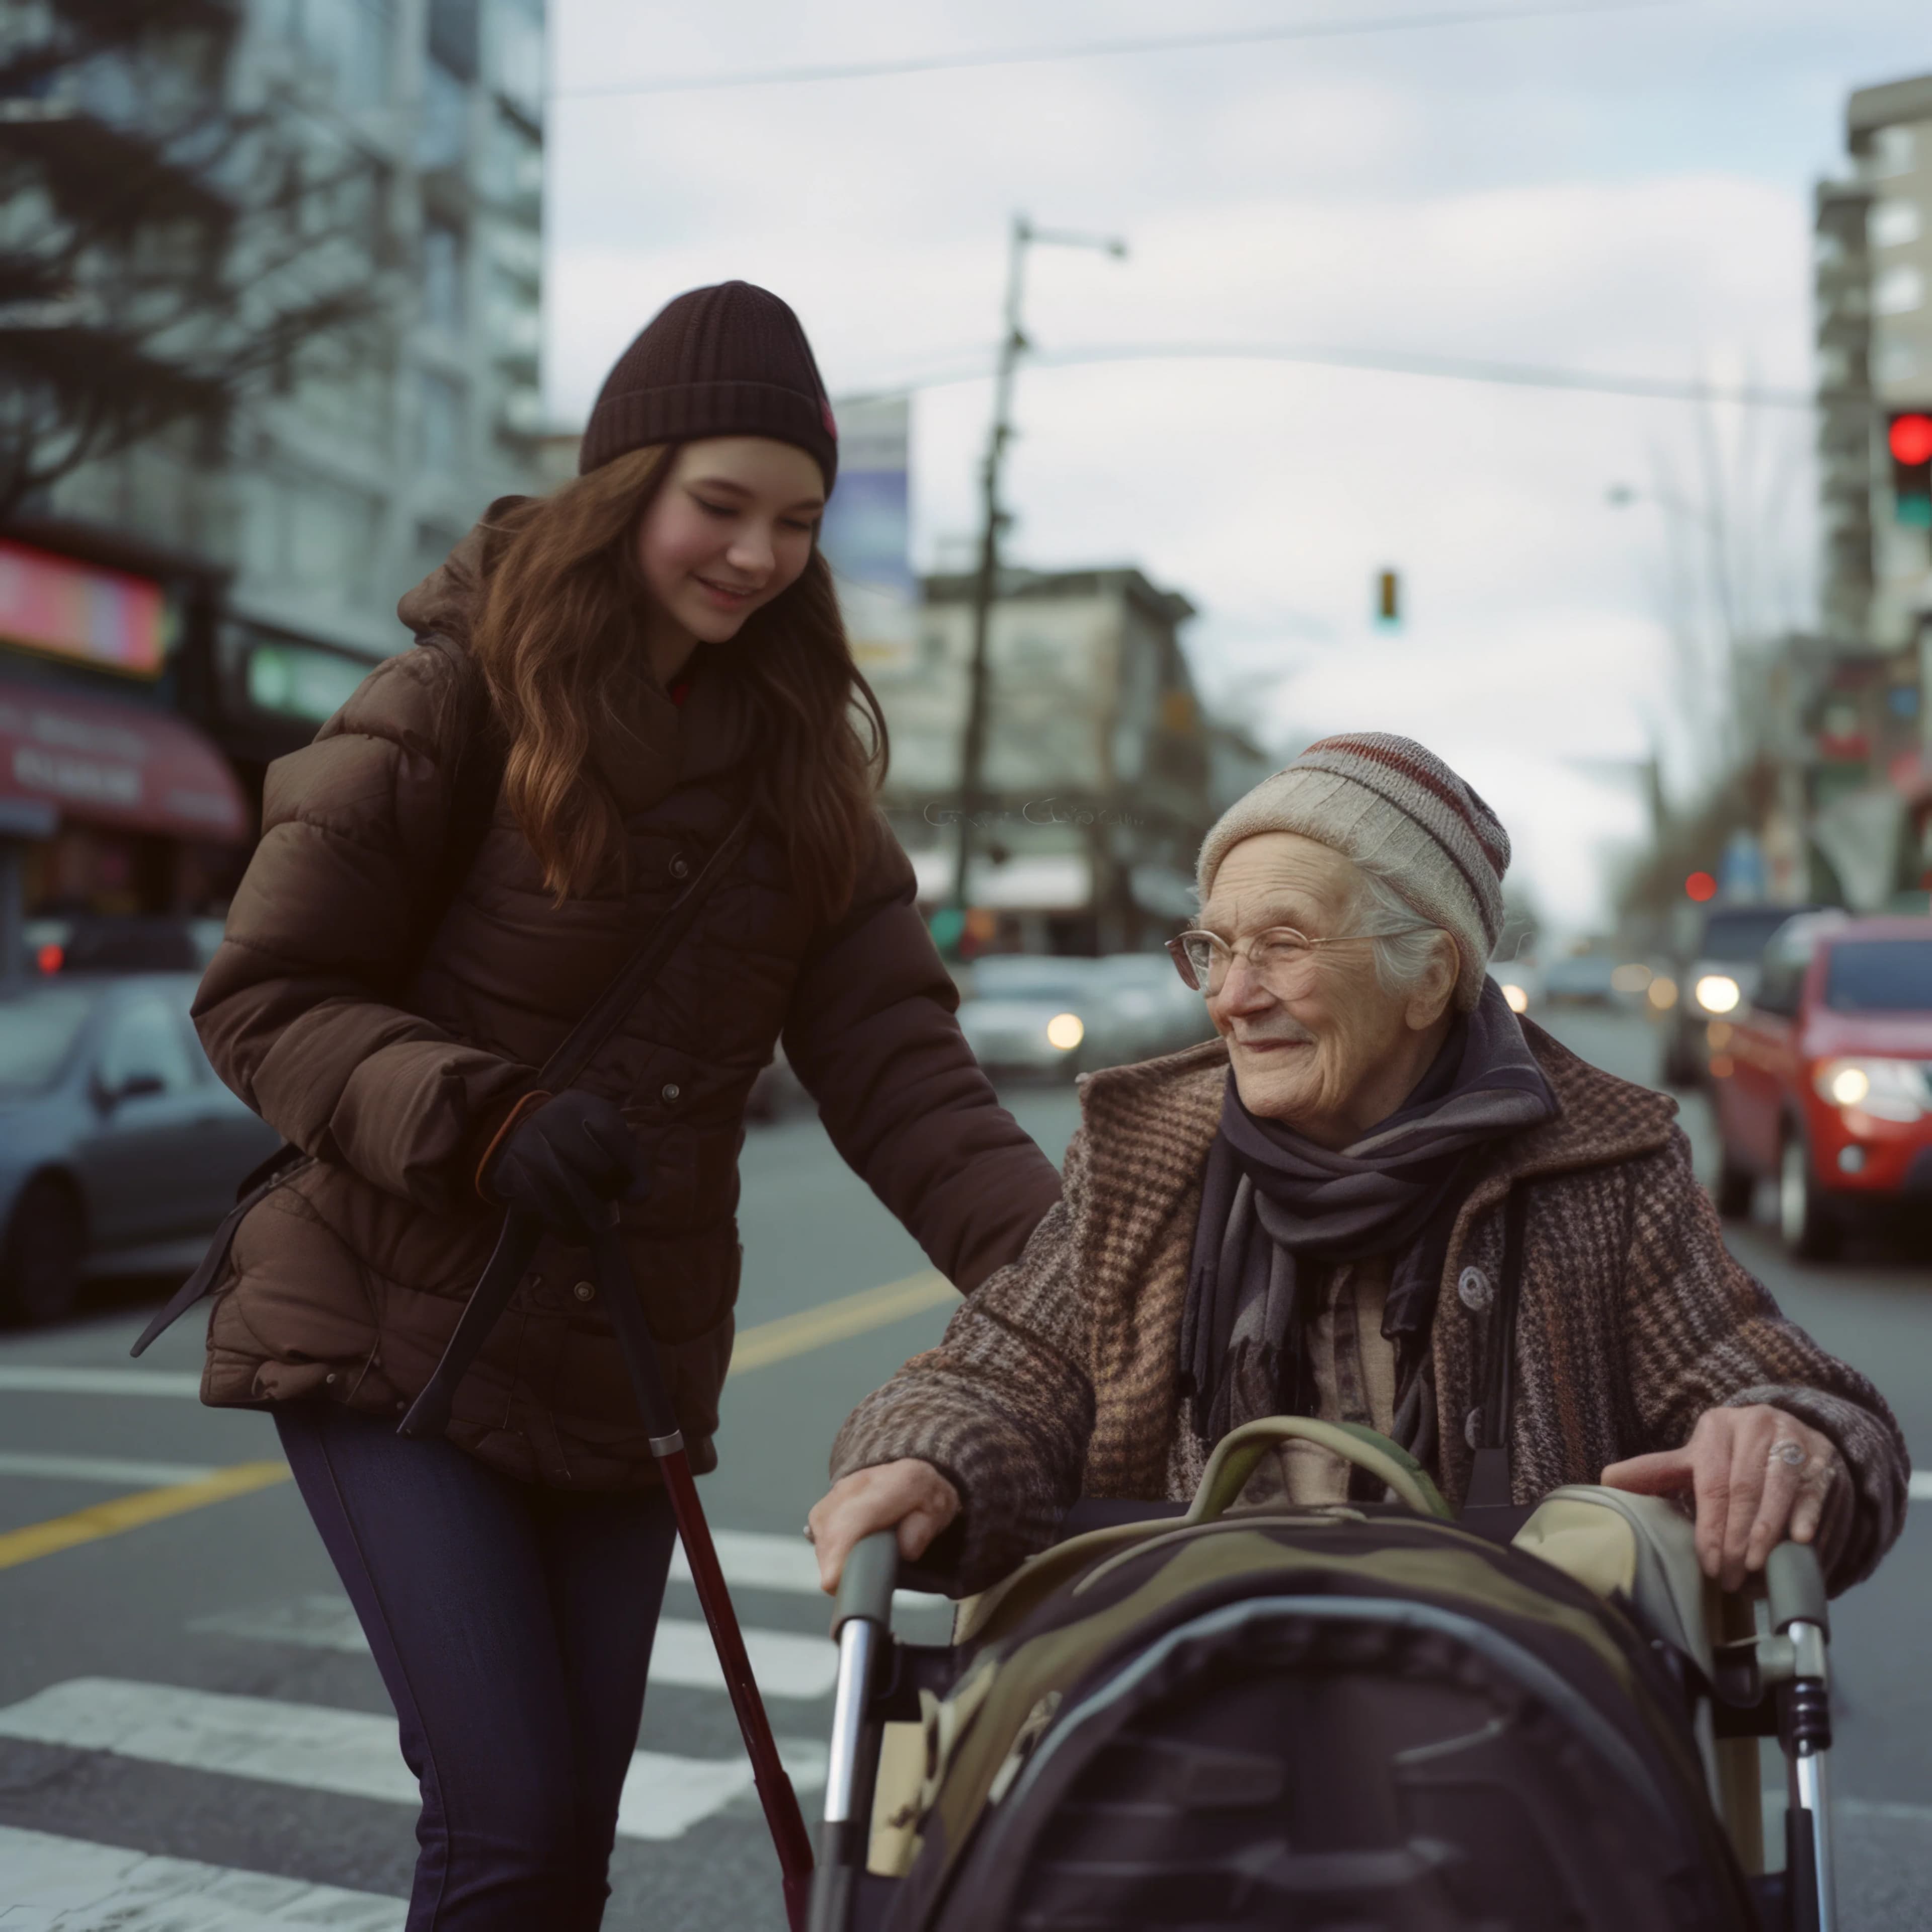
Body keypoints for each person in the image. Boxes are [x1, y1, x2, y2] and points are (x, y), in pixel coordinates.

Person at [190, 282, 1062, 1931]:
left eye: (796, 522)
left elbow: (910, 1087)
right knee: (508, 1829)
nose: (755, 555)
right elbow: (264, 998)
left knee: (565, 1864)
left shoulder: (808, 773)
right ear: (625, 488)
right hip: (386, 1334)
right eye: (717, 506)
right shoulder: (456, 697)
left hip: (618, 1366)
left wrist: (1115, 1291)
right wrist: (481, 1116)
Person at [810, 735, 1908, 1601]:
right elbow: (1005, 1374)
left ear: (1431, 976)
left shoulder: (1597, 1166)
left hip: (1516, 1745)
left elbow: (1783, 1391)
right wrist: (929, 1459)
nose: (1233, 996)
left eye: (1282, 944)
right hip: (1190, 1712)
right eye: (1215, 947)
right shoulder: (1153, 1153)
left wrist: (1783, 1437)